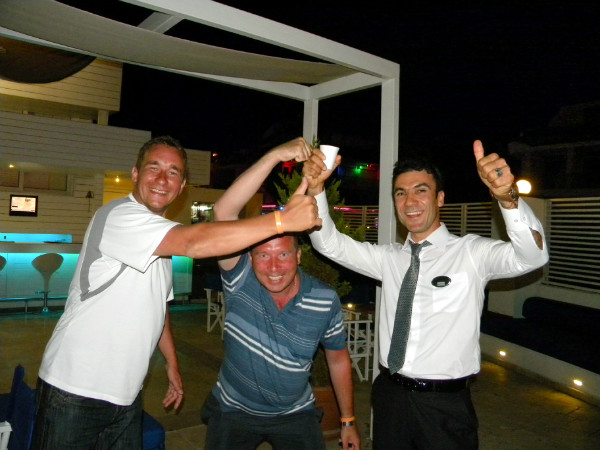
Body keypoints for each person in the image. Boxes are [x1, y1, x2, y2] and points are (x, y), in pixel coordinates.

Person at [32, 136, 321, 450]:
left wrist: (172, 363)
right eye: (153, 168)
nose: (161, 179)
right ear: (135, 174)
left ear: (182, 186)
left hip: (126, 395)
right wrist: (281, 221)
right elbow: (193, 242)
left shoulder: (159, 240)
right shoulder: (120, 216)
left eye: (173, 172)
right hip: (75, 388)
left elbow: (158, 309)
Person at [302, 140, 549, 450]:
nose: (410, 201)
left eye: (421, 190)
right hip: (390, 395)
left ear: (440, 198)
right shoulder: (388, 258)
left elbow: (533, 256)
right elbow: (328, 244)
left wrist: (507, 198)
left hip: (444, 405)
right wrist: (316, 189)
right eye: (400, 193)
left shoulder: (471, 253)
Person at [201, 137, 361, 450]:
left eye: (284, 254)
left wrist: (348, 421)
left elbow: (338, 358)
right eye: (263, 255)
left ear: (299, 256)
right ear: (249, 258)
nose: (274, 266)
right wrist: (275, 155)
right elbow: (224, 211)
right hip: (233, 411)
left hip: (295, 414)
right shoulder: (239, 278)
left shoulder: (324, 298)